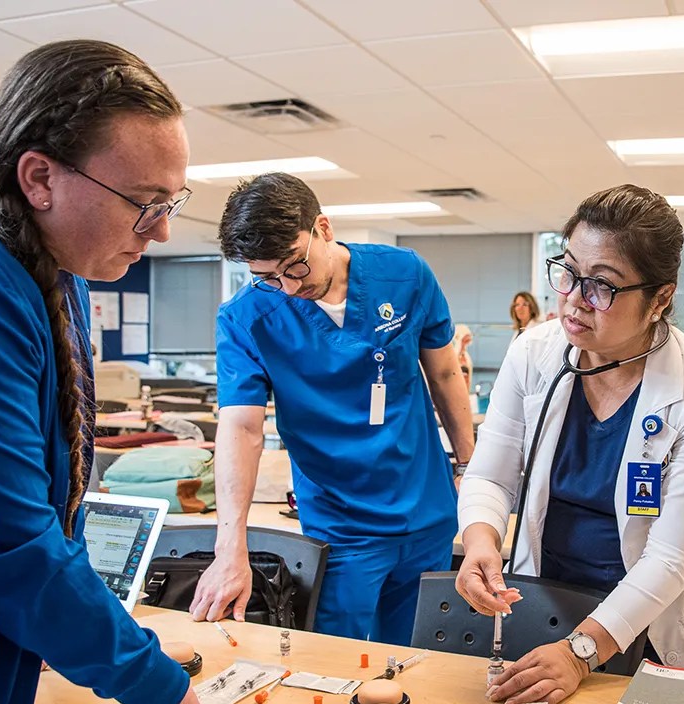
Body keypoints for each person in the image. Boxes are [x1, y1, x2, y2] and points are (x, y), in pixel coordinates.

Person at [0, 41, 216, 704]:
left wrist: (108, 643)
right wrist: (153, 688)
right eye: (143, 204)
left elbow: (55, 505)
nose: (163, 230)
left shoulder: (57, 267)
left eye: (171, 202)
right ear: (40, 178)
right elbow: (16, 545)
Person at [456, 184, 684, 704]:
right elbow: (490, 475)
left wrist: (580, 651)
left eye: (601, 287)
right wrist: (480, 540)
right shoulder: (534, 353)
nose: (571, 299)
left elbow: (672, 556)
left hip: (652, 619)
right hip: (548, 602)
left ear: (659, 299)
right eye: (567, 272)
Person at [192, 173, 474, 645]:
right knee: (334, 660)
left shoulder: (404, 274)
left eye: (293, 266)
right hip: (341, 525)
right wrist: (230, 545)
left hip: (426, 507)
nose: (286, 286)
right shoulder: (245, 317)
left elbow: (444, 374)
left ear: (323, 227)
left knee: (419, 658)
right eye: (266, 277)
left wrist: (470, 465)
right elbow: (241, 428)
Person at [453, 323, 474, 393]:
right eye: (464, 341)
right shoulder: (453, 356)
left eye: (467, 341)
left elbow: (469, 380)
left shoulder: (466, 358)